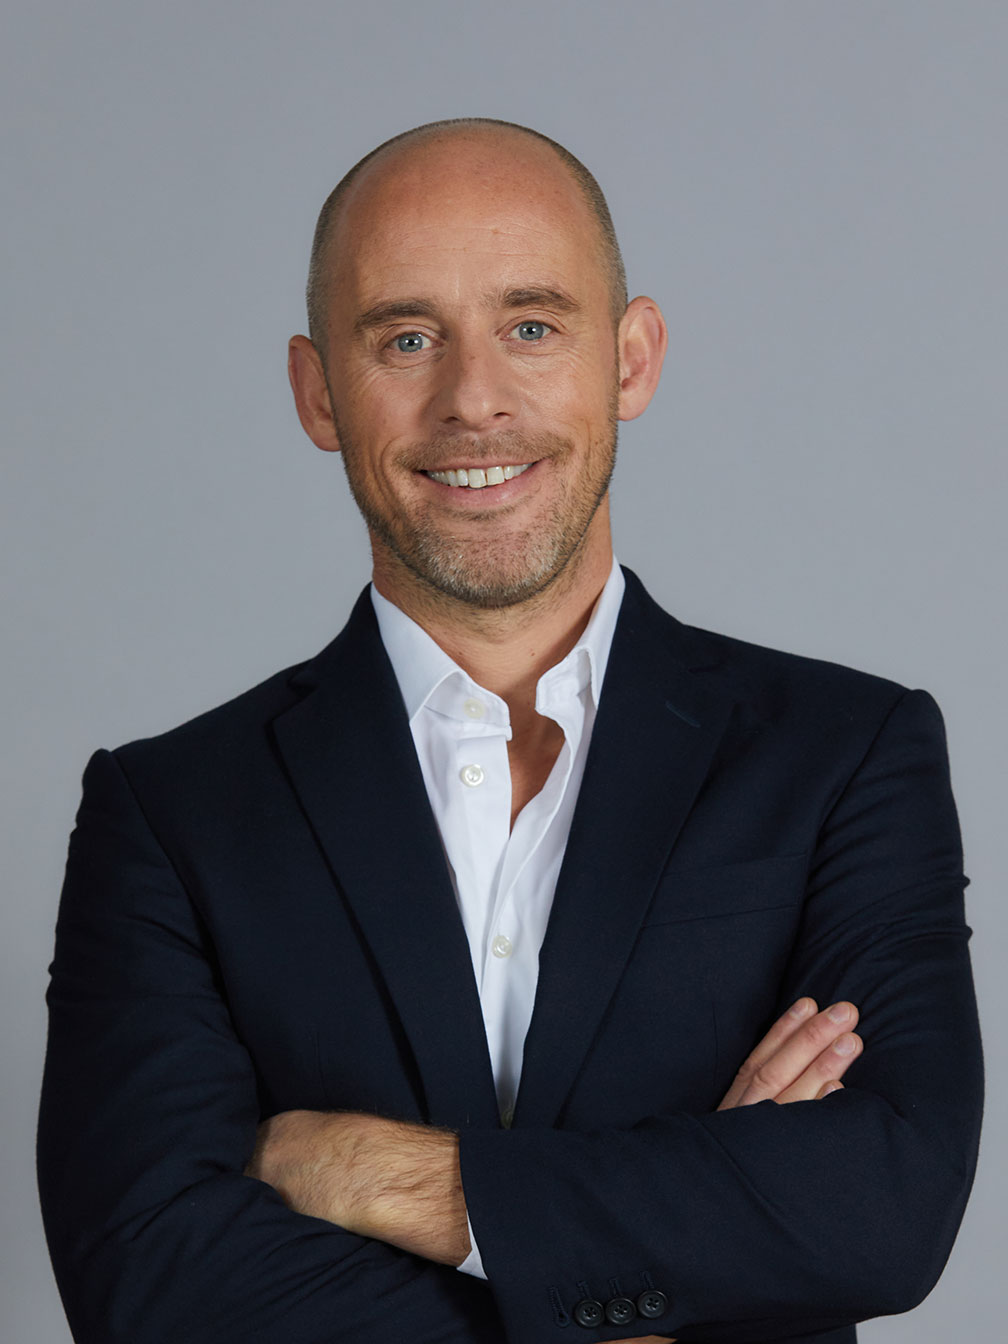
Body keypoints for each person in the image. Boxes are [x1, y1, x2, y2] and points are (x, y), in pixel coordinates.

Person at [38, 118, 982, 1344]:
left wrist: (389, 1177)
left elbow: (885, 1206)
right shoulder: (170, 813)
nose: (472, 399)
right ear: (318, 392)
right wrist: (684, 1260)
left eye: (532, 327)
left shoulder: (847, 754)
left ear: (631, 360)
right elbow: (147, 1284)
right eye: (406, 338)